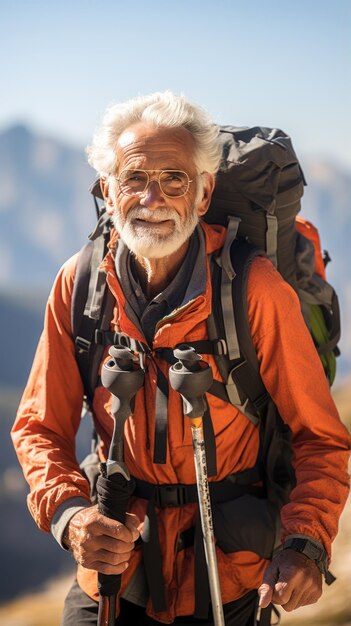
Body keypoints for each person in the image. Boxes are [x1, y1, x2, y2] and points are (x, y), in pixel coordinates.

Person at [12, 91, 350, 626]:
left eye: (175, 179)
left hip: (228, 579)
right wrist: (71, 517)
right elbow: (38, 427)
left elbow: (320, 436)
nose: (153, 198)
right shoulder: (78, 285)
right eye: (134, 179)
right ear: (107, 189)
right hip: (110, 575)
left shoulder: (255, 291)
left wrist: (306, 542)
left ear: (203, 192)